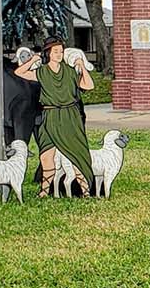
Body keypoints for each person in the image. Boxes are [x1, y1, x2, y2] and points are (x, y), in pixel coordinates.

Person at [14, 38, 95, 197]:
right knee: (46, 155)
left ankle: (85, 190)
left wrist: (82, 67)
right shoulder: (43, 72)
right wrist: (33, 60)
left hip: (69, 115)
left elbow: (88, 85)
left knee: (75, 153)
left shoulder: (70, 71)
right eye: (56, 51)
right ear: (48, 53)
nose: (59, 54)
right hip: (50, 115)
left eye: (61, 51)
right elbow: (19, 72)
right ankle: (44, 191)